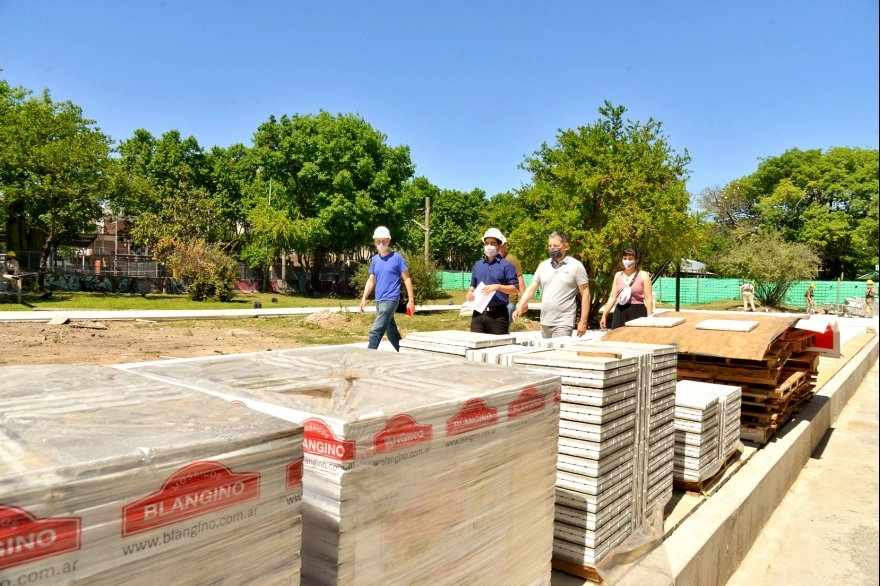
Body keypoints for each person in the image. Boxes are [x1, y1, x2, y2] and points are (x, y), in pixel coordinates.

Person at [513, 231, 590, 338]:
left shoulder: (576, 266)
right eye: (550, 246)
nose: (552, 248)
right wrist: (519, 306)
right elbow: (531, 289)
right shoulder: (543, 266)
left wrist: (583, 321)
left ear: (566, 246)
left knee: (558, 353)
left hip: (564, 322)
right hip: (545, 322)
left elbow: (585, 293)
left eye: (556, 246)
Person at [359, 227, 415, 351]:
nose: (381, 244)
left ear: (389, 241)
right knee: (392, 334)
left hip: (390, 300)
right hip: (379, 301)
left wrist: (411, 300)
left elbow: (407, 278)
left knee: (376, 331)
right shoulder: (375, 260)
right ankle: (405, 353)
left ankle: (368, 355)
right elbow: (371, 280)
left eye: (384, 241)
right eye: (378, 241)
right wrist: (364, 298)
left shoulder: (397, 258)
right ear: (374, 242)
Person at [466, 228, 519, 334]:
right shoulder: (478, 265)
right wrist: (469, 292)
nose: (489, 246)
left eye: (493, 243)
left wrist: (497, 287)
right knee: (475, 346)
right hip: (478, 313)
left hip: (498, 315)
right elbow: (473, 284)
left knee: (498, 347)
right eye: (486, 243)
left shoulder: (507, 266)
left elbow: (515, 289)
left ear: (499, 246)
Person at [599, 248, 654, 330]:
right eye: (625, 258)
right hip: (620, 312)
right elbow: (613, 297)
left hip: (638, 312)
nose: (627, 261)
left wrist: (649, 318)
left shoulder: (643, 275)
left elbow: (648, 298)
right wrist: (604, 315)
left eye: (630, 259)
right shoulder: (617, 275)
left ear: (636, 260)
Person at [499, 239, 527, 323]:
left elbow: (520, 280)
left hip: (509, 301)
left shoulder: (511, 260)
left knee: (503, 329)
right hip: (498, 300)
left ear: (505, 246)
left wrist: (524, 301)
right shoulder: (495, 259)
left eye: (501, 245)